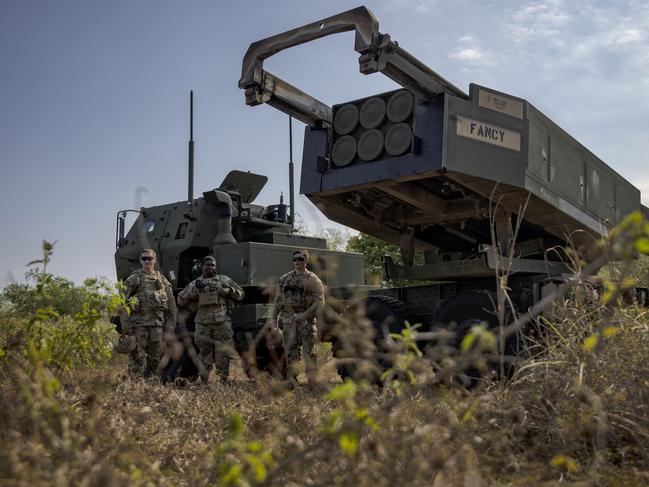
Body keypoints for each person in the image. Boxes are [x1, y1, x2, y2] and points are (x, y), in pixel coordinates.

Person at [177, 256, 244, 383]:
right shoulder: (195, 284)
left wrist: (229, 290)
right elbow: (180, 300)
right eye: (208, 265)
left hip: (222, 321)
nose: (210, 267)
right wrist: (193, 293)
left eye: (213, 265)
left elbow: (241, 294)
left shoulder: (224, 280)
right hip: (203, 322)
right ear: (202, 267)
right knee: (204, 352)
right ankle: (204, 381)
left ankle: (223, 379)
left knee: (223, 351)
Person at [270, 249, 324, 386]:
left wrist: (305, 315)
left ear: (306, 261)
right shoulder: (284, 279)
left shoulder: (313, 279)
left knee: (309, 353)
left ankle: (312, 383)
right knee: (290, 353)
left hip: (306, 322)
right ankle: (292, 382)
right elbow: (277, 302)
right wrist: (274, 323)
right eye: (294, 259)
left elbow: (320, 301)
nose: (296, 262)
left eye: (300, 259)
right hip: (289, 322)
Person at [122, 248, 176, 378]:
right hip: (138, 326)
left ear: (155, 260)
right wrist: (126, 329)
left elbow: (172, 307)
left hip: (157, 326)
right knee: (138, 357)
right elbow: (122, 304)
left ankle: (150, 386)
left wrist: (170, 329)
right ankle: (136, 387)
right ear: (140, 260)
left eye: (149, 258)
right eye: (144, 258)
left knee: (155, 358)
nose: (147, 261)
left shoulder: (162, 281)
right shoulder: (134, 279)